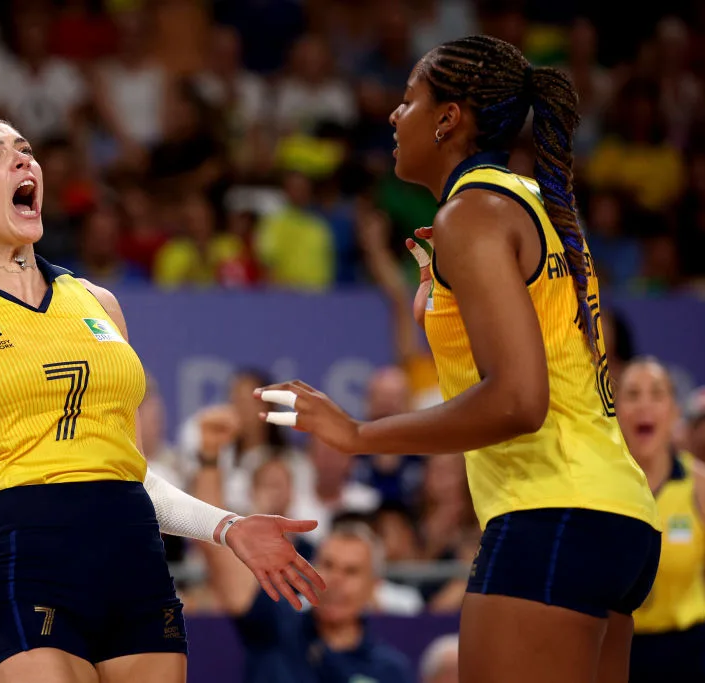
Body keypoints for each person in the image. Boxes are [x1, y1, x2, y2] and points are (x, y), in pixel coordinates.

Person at [256, 35, 662, 683]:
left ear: (448, 118)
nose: (395, 116)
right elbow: (546, 359)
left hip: (551, 510)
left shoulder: (471, 213)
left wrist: (358, 434)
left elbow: (519, 401)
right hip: (617, 517)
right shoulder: (529, 198)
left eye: (409, 100)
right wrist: (440, 308)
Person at [0, 116, 325, 683]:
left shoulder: (98, 302)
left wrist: (226, 526)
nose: (22, 160)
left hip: (134, 558)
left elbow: (131, 471)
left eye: (25, 149)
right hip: (23, 556)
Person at [193, 441, 415, 683]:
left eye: (351, 571)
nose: (335, 580)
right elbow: (216, 546)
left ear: (374, 585)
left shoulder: (390, 671)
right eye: (328, 565)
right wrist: (210, 455)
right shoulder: (275, 624)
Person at [616, 358, 705, 683]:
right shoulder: (592, 489)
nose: (644, 405)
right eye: (632, 394)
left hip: (687, 656)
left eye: (656, 394)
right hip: (616, 651)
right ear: (615, 411)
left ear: (675, 412)